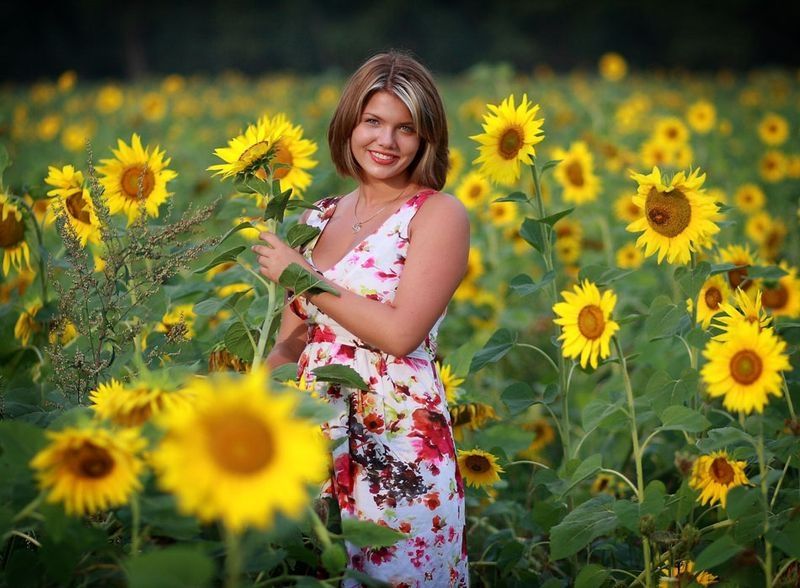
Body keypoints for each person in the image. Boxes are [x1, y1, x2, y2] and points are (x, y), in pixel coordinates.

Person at [252, 50, 470, 587]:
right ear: (349, 123)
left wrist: (302, 277)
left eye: (406, 129)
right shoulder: (317, 217)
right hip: (312, 443)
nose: (386, 142)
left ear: (426, 139)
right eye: (373, 121)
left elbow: (401, 334)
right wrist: (239, 400)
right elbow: (291, 346)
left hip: (399, 450)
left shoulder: (437, 214)